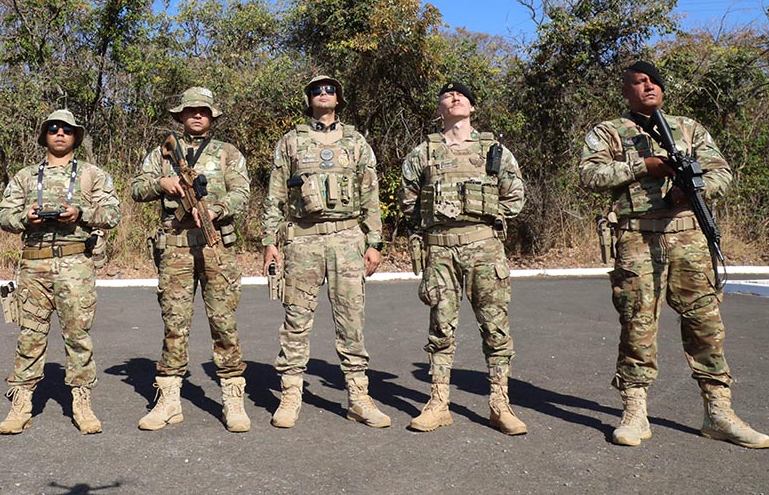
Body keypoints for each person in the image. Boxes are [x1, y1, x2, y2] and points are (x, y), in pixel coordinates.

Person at [579, 60, 769, 449]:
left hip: (689, 238)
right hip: (636, 238)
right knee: (638, 326)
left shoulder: (688, 128)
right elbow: (590, 176)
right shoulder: (608, 132)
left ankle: (718, 411)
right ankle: (635, 412)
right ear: (626, 90)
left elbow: (722, 172)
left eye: (655, 81)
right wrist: (643, 166)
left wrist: (693, 190)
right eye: (640, 81)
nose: (649, 86)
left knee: (706, 326)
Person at [261, 75, 390, 429]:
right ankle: (290, 394)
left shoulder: (356, 142)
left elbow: (370, 194)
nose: (323, 94)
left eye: (330, 89)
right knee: (296, 319)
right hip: (302, 239)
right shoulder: (290, 142)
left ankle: (359, 396)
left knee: (352, 320)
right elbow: (275, 197)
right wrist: (271, 242)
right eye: (317, 90)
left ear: (339, 98)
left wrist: (374, 242)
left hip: (348, 238)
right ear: (308, 99)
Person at [399, 81, 527, 435]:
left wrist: (484, 210)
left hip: (484, 247)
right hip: (440, 250)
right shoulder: (424, 152)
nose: (455, 97)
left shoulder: (493, 150)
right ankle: (438, 402)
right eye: (447, 95)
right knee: (440, 328)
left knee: (495, 328)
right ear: (440, 108)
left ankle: (499, 403)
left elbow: (515, 196)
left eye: (463, 95)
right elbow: (407, 199)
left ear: (472, 108)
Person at [130, 87, 252, 432]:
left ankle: (232, 398)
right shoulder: (161, 154)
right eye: (191, 110)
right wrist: (161, 183)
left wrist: (215, 209)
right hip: (175, 247)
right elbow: (137, 189)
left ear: (212, 116)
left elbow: (242, 194)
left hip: (216, 247)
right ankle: (169, 400)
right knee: (175, 324)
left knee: (224, 323)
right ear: (180, 115)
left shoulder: (228, 153)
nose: (197, 115)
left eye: (203, 111)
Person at [0, 109, 120, 435]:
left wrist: (81, 213)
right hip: (34, 266)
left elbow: (112, 213)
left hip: (75, 264)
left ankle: (81, 401)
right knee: (29, 337)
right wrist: (26, 217)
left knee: (78, 336)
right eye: (53, 129)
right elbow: (3, 215)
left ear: (76, 136)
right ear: (44, 135)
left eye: (67, 129)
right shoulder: (25, 176)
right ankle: (21, 403)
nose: (60, 133)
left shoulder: (93, 175)